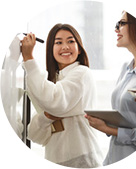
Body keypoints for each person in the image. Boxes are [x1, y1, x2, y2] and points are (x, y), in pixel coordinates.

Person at [85, 11, 136, 165]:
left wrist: (109, 130)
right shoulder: (126, 68)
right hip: (113, 157)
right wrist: (105, 122)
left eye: (121, 23)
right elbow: (127, 117)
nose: (116, 29)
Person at [21, 24, 103, 168]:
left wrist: (29, 58)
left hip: (82, 160)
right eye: (58, 42)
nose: (65, 46)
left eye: (71, 41)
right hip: (56, 160)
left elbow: (55, 102)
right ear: (51, 49)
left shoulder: (82, 73)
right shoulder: (54, 82)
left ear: (79, 49)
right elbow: (34, 135)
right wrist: (47, 117)